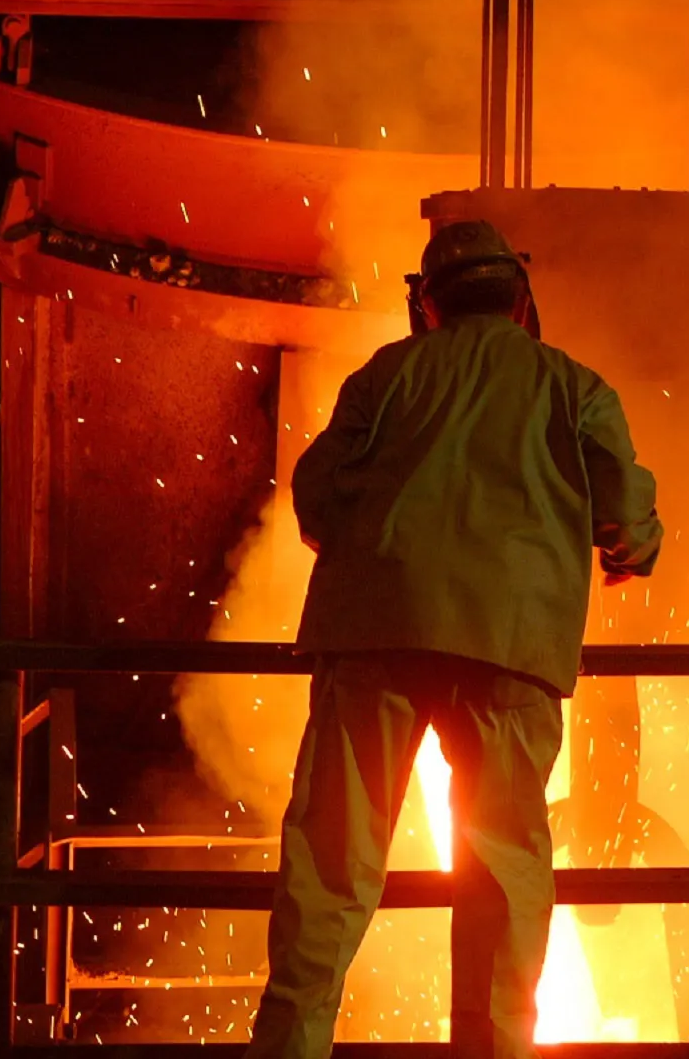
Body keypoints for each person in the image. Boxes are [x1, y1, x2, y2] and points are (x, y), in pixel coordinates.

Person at [247, 220, 662, 1059]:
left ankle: (290, 1048)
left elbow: (319, 499)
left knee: (331, 867)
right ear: (521, 301)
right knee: (504, 873)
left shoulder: (386, 377)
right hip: (511, 653)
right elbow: (629, 519)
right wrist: (623, 552)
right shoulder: (574, 388)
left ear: (425, 303)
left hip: (374, 641)